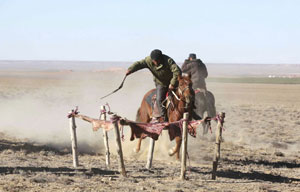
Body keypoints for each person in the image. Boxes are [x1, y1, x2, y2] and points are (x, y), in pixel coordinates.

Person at [126, 49, 182, 122]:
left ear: (161, 58)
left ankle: (192, 114)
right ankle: (164, 118)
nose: (155, 62)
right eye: (153, 60)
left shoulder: (168, 61)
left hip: (173, 82)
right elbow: (139, 64)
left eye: (156, 60)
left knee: (186, 95)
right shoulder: (148, 60)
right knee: (159, 100)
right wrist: (130, 69)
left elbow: (177, 71)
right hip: (161, 83)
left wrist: (172, 83)